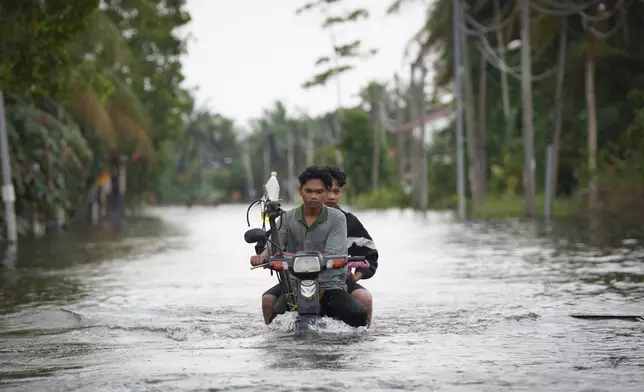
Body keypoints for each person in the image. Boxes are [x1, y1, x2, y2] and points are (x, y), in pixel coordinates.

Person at [250, 165, 368, 328]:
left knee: (359, 316)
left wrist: (289, 256)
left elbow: (332, 252)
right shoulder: (286, 218)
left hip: (329, 285)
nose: (313, 196)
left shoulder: (337, 218)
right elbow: (274, 246)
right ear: (300, 191)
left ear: (326, 192)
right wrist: (261, 257)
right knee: (276, 323)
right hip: (295, 286)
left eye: (319, 192)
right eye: (309, 191)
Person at [324, 165, 378, 324]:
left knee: (364, 298)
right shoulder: (295, 218)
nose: (332, 197)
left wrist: (357, 275)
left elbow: (370, 255)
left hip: (338, 282)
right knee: (268, 300)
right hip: (300, 282)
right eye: (327, 191)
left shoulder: (349, 221)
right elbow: (275, 245)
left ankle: (362, 339)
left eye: (336, 191)